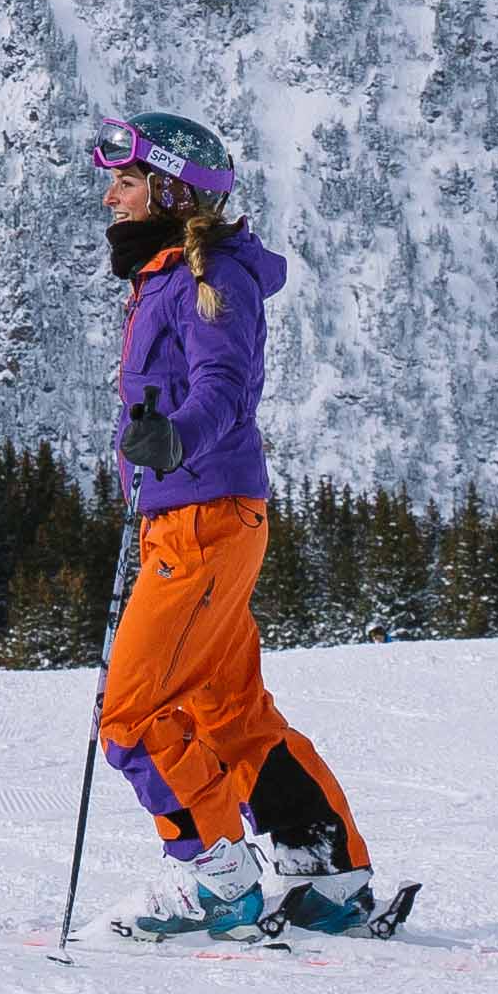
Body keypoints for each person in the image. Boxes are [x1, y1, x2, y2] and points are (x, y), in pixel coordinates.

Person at [89, 111, 383, 944]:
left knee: (131, 716)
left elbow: (227, 382)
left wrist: (177, 435)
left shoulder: (210, 275)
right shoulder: (167, 275)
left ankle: (222, 881)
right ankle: (325, 870)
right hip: (195, 518)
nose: (110, 195)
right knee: (226, 708)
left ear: (173, 190)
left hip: (203, 521)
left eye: (127, 180)